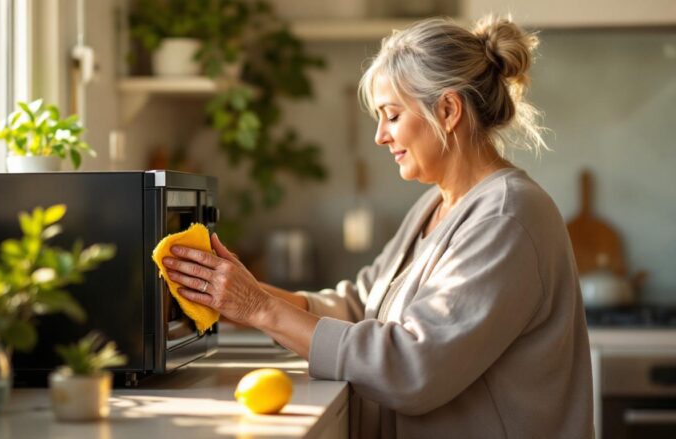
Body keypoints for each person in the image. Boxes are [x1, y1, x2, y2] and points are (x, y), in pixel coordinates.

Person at [162, 15, 594, 439]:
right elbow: (362, 306)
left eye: (391, 115)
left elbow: (412, 368)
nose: (380, 136)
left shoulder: (507, 217)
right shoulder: (435, 204)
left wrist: (259, 308)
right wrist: (231, 291)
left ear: (447, 110)